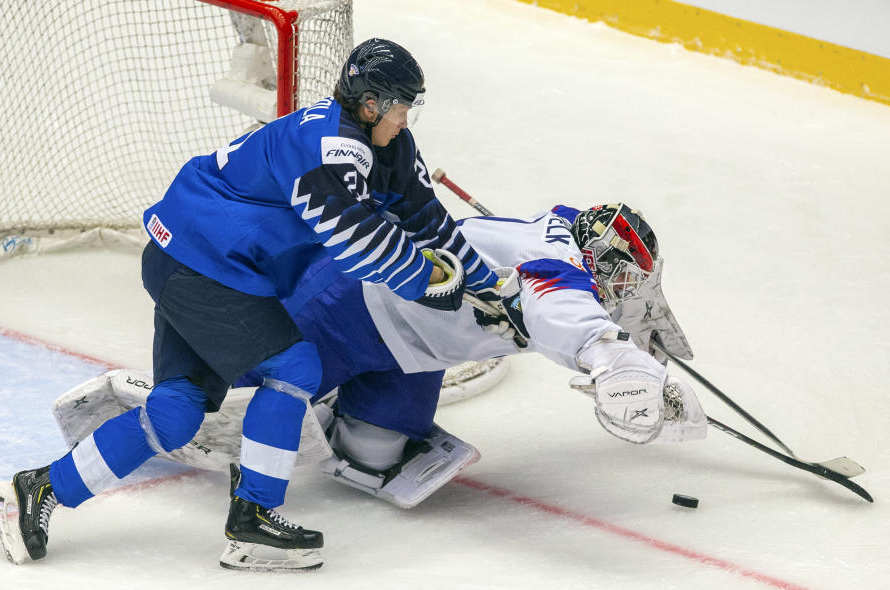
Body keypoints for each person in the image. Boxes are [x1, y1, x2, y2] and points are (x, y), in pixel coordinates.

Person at [0, 38, 503, 572]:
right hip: (202, 265)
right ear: (370, 103)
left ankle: (35, 491)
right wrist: (427, 282)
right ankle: (254, 518)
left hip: (199, 261)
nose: (405, 117)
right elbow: (358, 242)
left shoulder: (389, 145)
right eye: (401, 105)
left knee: (176, 412)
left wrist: (493, 284)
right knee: (296, 365)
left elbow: (427, 220)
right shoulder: (328, 144)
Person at [52, 203, 706, 520]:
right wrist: (607, 355)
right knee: (251, 391)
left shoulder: (560, 234)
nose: (625, 296)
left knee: (376, 454)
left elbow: (571, 303)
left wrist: (643, 364)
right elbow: (555, 307)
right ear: (605, 263)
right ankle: (157, 400)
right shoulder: (559, 272)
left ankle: (341, 414)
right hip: (349, 304)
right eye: (624, 282)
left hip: (413, 346)